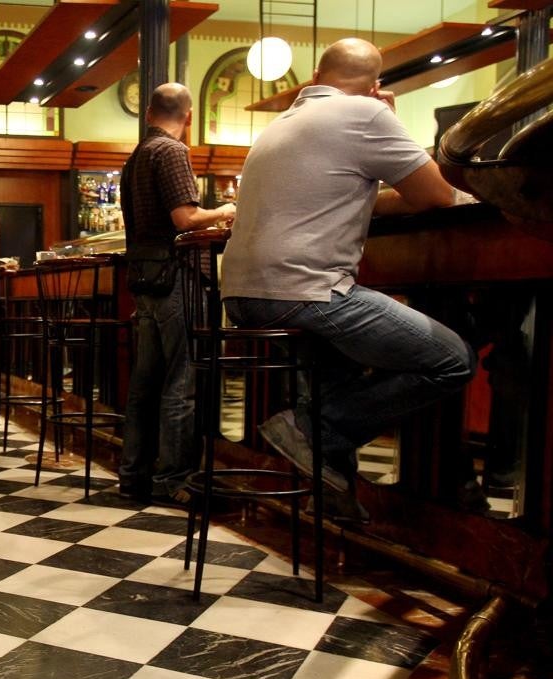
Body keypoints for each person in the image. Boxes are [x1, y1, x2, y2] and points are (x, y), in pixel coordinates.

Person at [221, 38, 475, 522]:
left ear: (315, 78)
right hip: (307, 293)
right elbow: (439, 197)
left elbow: (365, 194)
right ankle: (313, 431)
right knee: (451, 360)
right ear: (375, 87)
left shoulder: (280, 124)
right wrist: (388, 117)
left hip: (243, 295)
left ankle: (336, 510)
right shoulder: (366, 115)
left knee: (335, 381)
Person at [118, 83, 236, 505]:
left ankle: (133, 476)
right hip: (175, 279)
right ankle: (174, 481)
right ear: (188, 117)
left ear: (149, 112)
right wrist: (225, 211)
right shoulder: (170, 151)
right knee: (180, 384)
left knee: (145, 383)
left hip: (144, 278)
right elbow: (185, 218)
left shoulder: (136, 157)